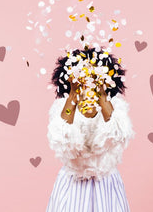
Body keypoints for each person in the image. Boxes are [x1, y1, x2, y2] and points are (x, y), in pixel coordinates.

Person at [46, 47, 136, 212]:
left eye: (95, 74)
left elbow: (118, 135)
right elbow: (61, 141)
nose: (88, 80)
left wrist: (102, 95)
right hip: (73, 185)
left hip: (106, 184)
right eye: (83, 74)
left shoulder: (113, 106)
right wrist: (73, 95)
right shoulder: (64, 107)